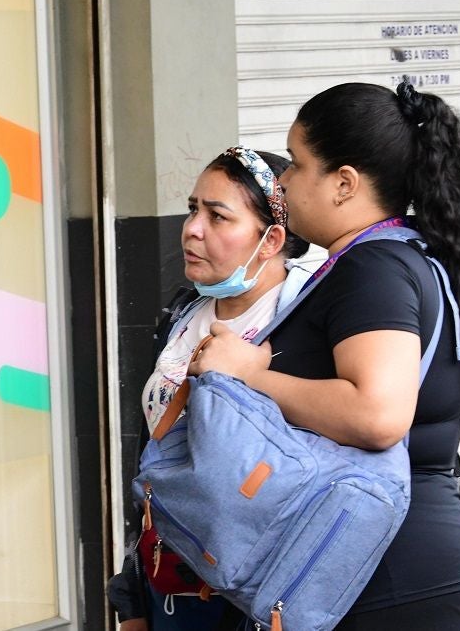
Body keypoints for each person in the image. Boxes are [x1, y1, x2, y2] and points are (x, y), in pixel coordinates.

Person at [195, 82, 460, 629]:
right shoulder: (404, 256)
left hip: (394, 583)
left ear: (343, 184)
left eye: (295, 163)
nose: (284, 182)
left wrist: (250, 371)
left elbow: (376, 415)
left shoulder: (375, 268)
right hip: (393, 570)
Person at [107, 147, 310, 631]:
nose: (193, 228)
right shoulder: (182, 314)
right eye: (194, 208)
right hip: (170, 584)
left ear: (271, 239)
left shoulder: (302, 321)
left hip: (252, 595)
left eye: (218, 216)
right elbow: (154, 463)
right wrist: (133, 597)